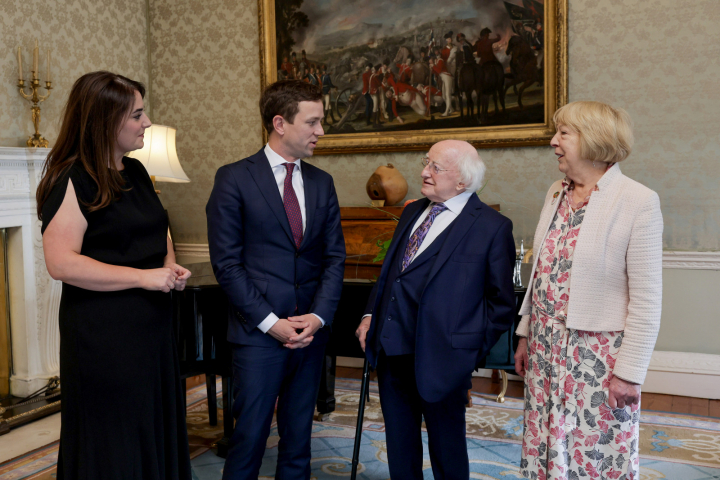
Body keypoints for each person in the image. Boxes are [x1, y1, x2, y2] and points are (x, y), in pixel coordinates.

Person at [36, 71, 192, 479]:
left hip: (152, 328)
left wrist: (168, 265)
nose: (147, 123)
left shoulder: (137, 172)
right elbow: (62, 263)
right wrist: (144, 278)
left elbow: (158, 228)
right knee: (116, 435)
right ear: (105, 121)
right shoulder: (71, 179)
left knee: (150, 423)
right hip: (104, 336)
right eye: (137, 115)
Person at [514, 101, 663, 479]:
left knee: (595, 452)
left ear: (594, 140)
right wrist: (525, 334)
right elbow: (542, 274)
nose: (553, 142)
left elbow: (647, 299)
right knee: (545, 445)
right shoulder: (556, 192)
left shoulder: (638, 201)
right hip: (546, 347)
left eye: (563, 134)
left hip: (596, 358)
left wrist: (629, 373)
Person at [206, 80, 345, 480]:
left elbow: (335, 257)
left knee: (299, 439)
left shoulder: (323, 183)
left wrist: (318, 318)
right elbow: (227, 265)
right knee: (248, 439)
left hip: (310, 334)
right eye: (313, 122)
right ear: (280, 122)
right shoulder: (233, 179)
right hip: (258, 335)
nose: (321, 131)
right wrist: (272, 324)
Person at [355, 140, 517, 479]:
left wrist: (466, 350)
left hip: (445, 358)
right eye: (426, 163)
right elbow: (390, 274)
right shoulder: (413, 211)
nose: (424, 172)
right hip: (392, 349)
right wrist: (370, 314)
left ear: (462, 181)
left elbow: (500, 303)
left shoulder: (491, 227)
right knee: (399, 445)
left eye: (435, 167)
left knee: (447, 448)